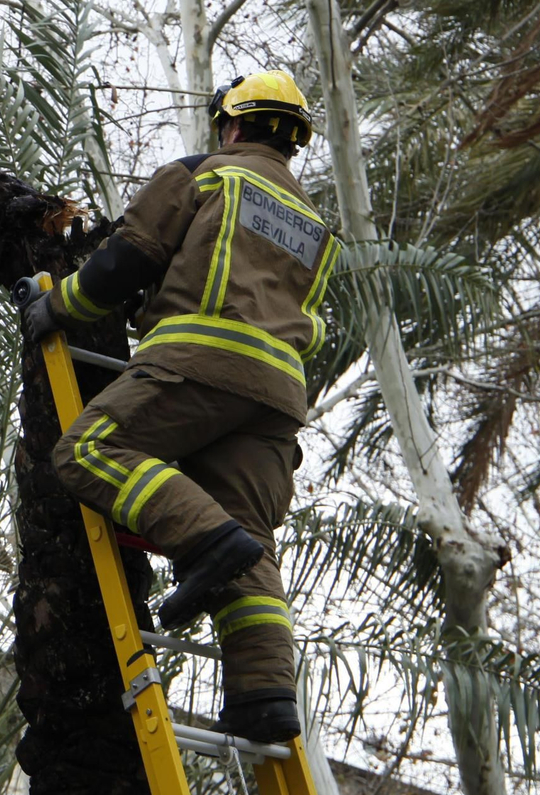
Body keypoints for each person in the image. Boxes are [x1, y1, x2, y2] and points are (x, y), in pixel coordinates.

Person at [23, 69, 340, 743]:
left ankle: (206, 540)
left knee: (87, 451)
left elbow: (122, 266)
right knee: (251, 531)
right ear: (291, 143)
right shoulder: (316, 225)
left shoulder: (205, 174)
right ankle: (265, 696)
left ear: (231, 124)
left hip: (200, 363)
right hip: (279, 399)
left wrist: (51, 307)